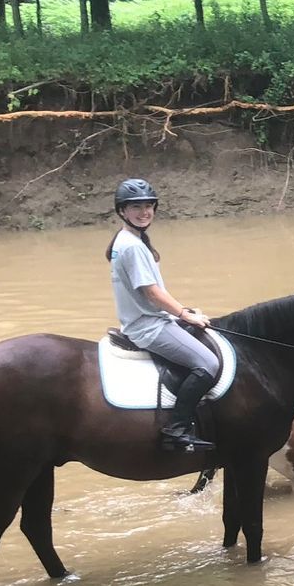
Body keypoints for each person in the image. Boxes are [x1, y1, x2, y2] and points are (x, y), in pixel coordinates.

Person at [108, 177, 220, 453]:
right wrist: (184, 314)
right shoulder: (132, 246)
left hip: (150, 319)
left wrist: (182, 313)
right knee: (208, 364)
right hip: (149, 326)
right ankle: (177, 429)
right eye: (136, 207)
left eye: (148, 206)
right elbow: (151, 293)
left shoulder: (131, 239)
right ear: (122, 211)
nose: (144, 212)